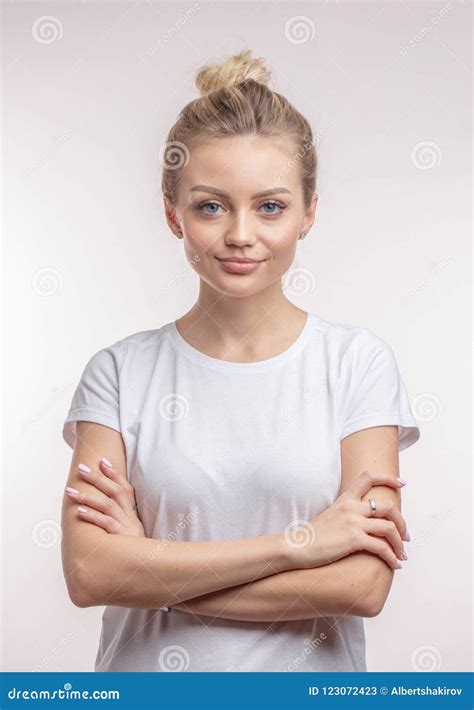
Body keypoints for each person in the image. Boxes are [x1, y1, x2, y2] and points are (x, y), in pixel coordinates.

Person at [61, 49, 420, 673]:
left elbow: (361, 587)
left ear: (309, 212)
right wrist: (302, 544)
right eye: (210, 205)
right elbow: (91, 573)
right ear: (173, 213)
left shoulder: (357, 364)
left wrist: (151, 567)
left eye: (271, 206)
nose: (240, 234)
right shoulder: (118, 373)